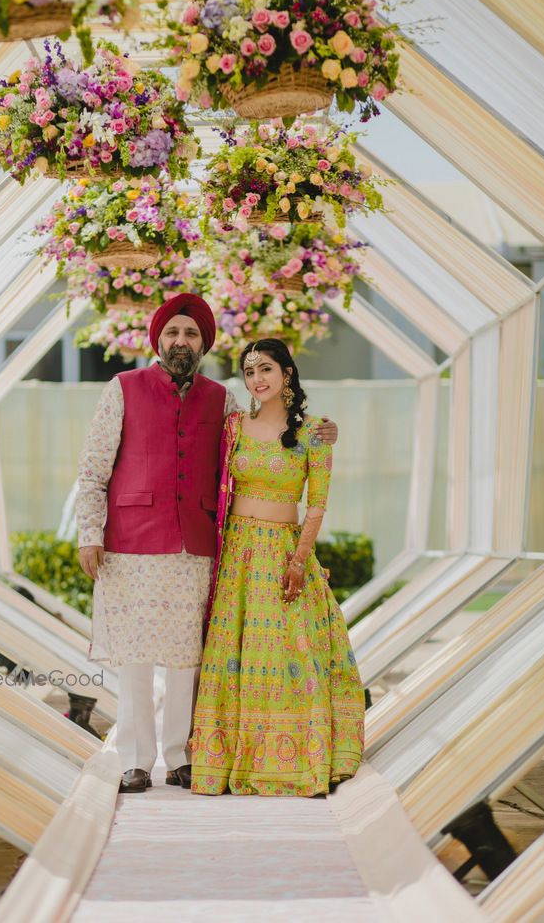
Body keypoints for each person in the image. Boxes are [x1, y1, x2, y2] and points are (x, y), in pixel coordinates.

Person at [76, 296, 337, 794]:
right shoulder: (122, 389)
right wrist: (91, 533)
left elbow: (272, 436)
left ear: (203, 345)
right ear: (158, 340)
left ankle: (178, 757)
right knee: (133, 654)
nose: (181, 342)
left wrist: (325, 431)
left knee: (186, 657)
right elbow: (93, 468)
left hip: (196, 545)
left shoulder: (225, 403)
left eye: (191, 335)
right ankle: (134, 758)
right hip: (129, 544)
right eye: (173, 333)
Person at [190, 339, 365, 798]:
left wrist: (299, 561)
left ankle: (287, 760)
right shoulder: (233, 427)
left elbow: (317, 505)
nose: (257, 379)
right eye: (249, 372)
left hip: (284, 553)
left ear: (287, 372)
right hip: (238, 556)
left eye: (265, 369)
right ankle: (224, 761)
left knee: (291, 653)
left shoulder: (313, 433)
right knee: (236, 656)